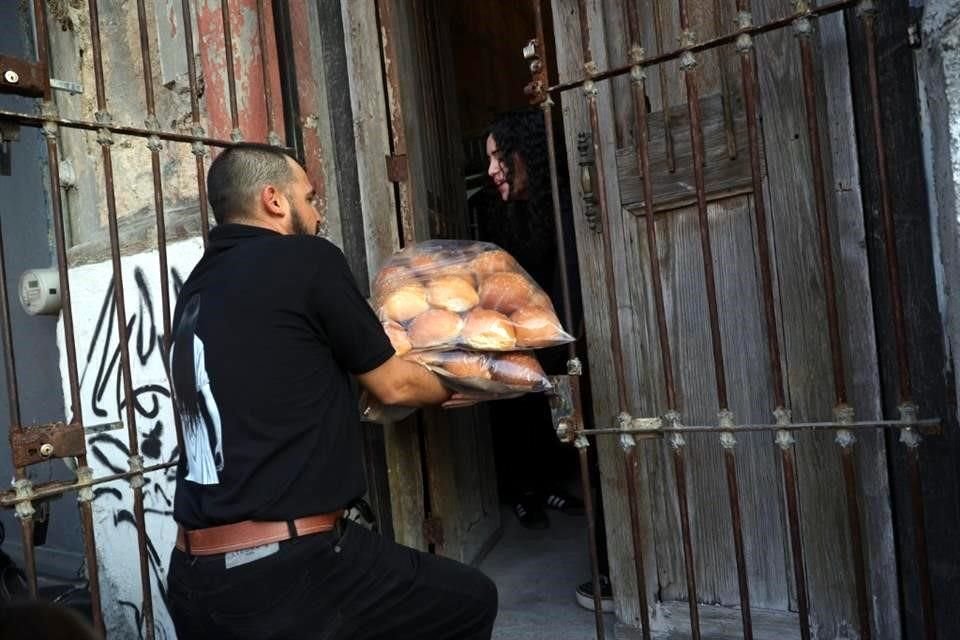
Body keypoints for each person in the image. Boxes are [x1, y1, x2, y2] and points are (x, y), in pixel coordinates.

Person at [165, 143, 498, 640]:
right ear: (275, 200)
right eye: (311, 197)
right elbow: (394, 382)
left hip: (191, 578)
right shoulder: (306, 258)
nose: (318, 213)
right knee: (471, 601)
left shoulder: (195, 289)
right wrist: (463, 380)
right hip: (287, 572)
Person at [480, 108, 613, 613]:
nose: (492, 170)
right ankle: (531, 493)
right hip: (552, 352)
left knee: (599, 448)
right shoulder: (513, 215)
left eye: (498, 157)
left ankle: (612, 572)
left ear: (524, 154)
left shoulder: (568, 207)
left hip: (586, 349)